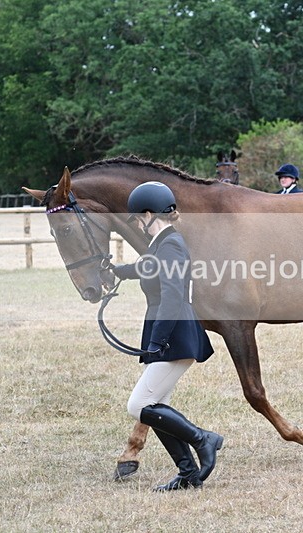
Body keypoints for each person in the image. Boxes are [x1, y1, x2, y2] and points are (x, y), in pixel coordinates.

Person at [111, 181, 223, 492]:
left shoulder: (170, 244)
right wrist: (119, 270)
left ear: (148, 214)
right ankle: (187, 472)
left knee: (139, 404)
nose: (138, 224)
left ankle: (204, 439)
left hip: (174, 333)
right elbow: (147, 267)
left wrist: (158, 340)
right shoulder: (162, 244)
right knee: (157, 405)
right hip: (170, 333)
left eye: (137, 218)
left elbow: (173, 296)